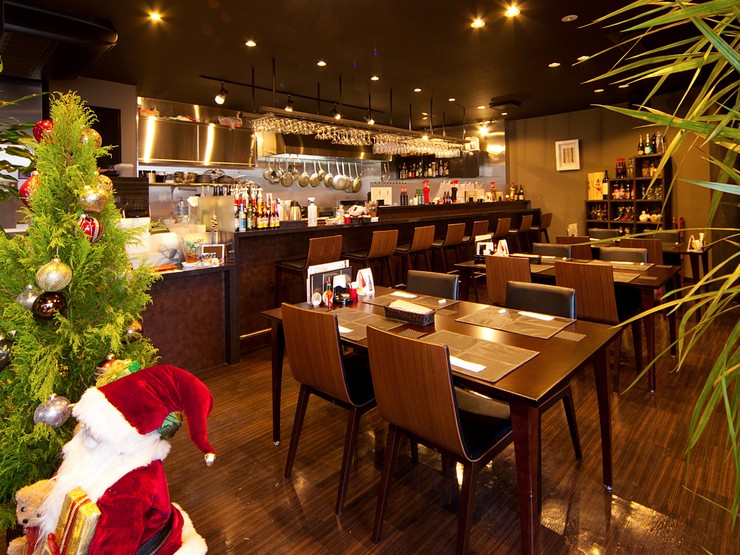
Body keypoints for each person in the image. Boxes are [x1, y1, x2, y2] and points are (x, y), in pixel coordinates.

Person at [39, 364, 215, 554]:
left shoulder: (128, 490)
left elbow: (112, 549)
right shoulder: (100, 450)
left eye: (96, 424)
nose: (85, 428)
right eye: (87, 420)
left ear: (120, 432)